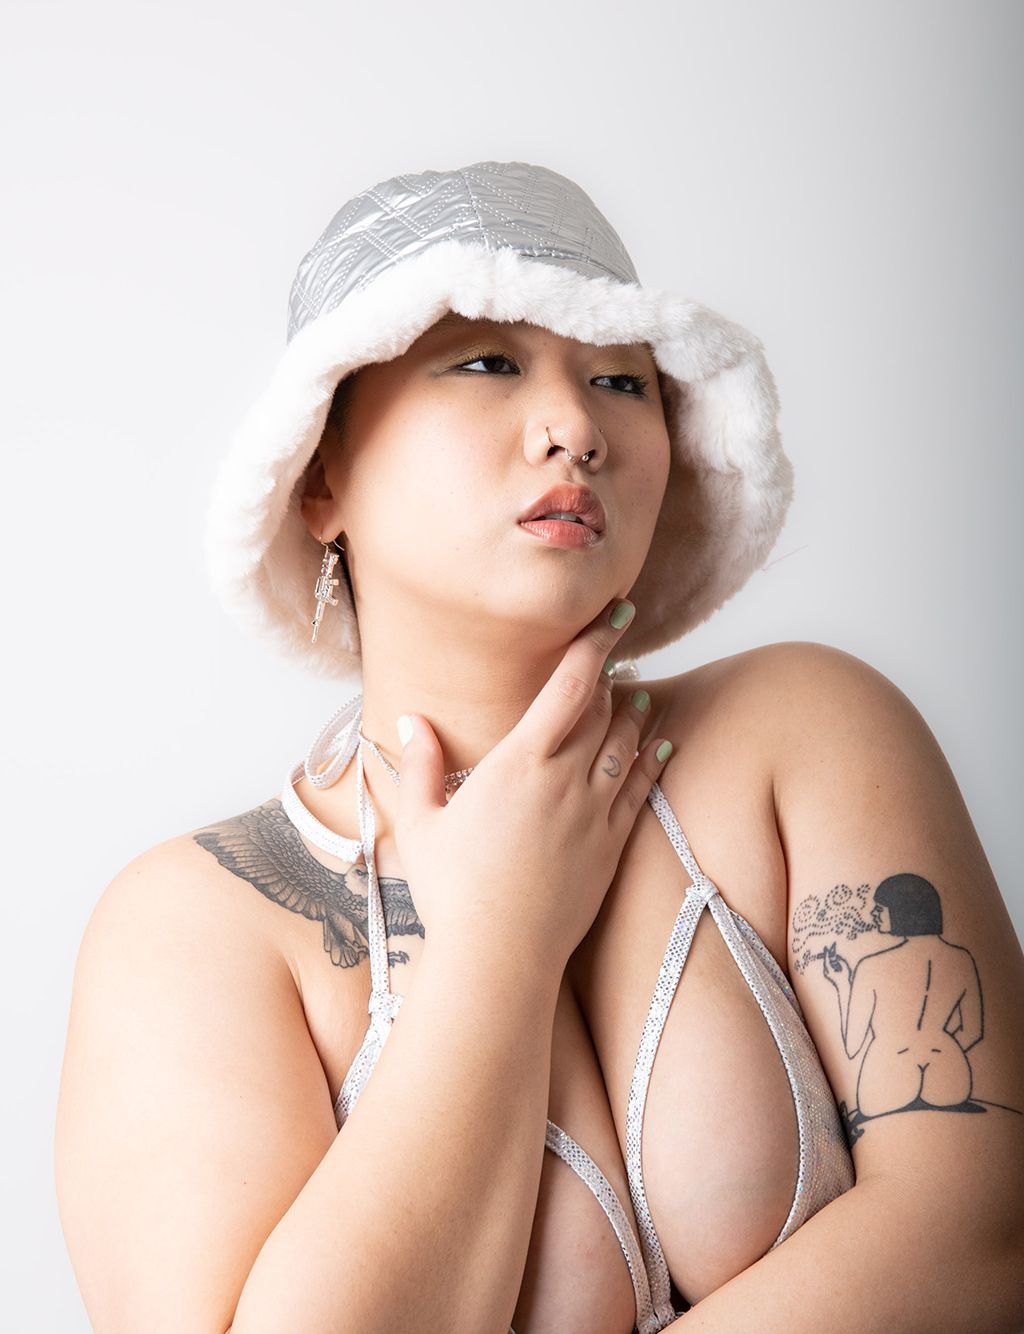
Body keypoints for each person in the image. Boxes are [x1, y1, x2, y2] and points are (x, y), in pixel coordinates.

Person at [54, 161, 1024, 1333]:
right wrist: (498, 943)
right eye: (486, 362)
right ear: (320, 477)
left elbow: (982, 1233)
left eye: (621, 379)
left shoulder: (808, 732)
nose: (577, 428)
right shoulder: (198, 924)